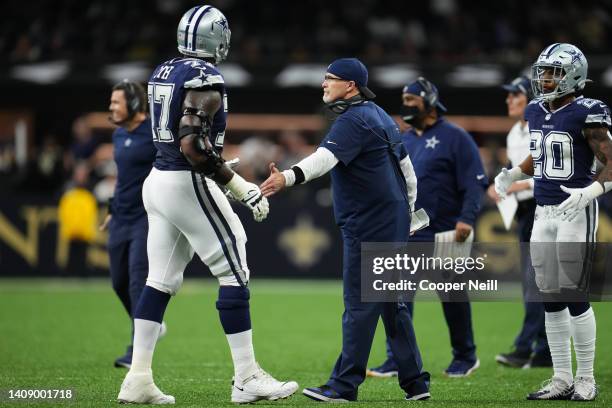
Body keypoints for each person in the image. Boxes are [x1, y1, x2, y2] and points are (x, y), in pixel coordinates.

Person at [117, 5, 298, 404]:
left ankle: (139, 377)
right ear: (214, 38)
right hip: (186, 181)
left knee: (159, 281)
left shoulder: (164, 69)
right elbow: (193, 146)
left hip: (158, 181)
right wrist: (238, 185)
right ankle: (246, 377)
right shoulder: (205, 77)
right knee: (234, 269)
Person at [261, 58, 431, 402]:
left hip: (369, 226)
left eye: (330, 79)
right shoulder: (380, 115)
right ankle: (416, 383)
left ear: (350, 85)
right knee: (391, 304)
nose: (324, 84)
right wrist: (410, 214)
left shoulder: (352, 119)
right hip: (391, 221)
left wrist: (287, 177)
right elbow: (407, 169)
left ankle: (343, 385)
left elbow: (324, 158)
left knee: (359, 305)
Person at [495, 43, 611, 401]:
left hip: (576, 209)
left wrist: (590, 192)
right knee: (549, 297)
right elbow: (543, 151)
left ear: (573, 74)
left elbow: (610, 160)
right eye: (543, 71)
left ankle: (586, 379)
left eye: (553, 72)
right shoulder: (535, 110)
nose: (544, 78)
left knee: (573, 294)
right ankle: (561, 378)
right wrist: (514, 172)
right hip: (543, 211)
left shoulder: (588, 112)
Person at [368, 77, 487, 378]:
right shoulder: (403, 139)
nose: (406, 105)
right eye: (404, 100)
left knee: (453, 298)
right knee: (397, 298)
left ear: (429, 103)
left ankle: (466, 355)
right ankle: (397, 359)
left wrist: (467, 218)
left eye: (412, 101)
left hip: (447, 230)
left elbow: (475, 182)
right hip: (410, 233)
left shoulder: (456, 137)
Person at [489, 76, 551, 369]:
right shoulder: (515, 132)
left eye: (516, 95)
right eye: (510, 95)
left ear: (531, 99)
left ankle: (528, 346)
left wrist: (512, 186)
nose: (509, 100)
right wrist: (503, 187)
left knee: (538, 281)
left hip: (546, 208)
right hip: (526, 212)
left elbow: (549, 176)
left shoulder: (542, 127)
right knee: (536, 282)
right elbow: (518, 176)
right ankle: (543, 349)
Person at [99, 79, 162, 369]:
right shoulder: (118, 135)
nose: (111, 107)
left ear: (134, 104)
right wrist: (112, 208)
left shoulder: (154, 133)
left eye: (116, 102)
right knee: (118, 283)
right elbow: (123, 178)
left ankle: (137, 347)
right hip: (121, 217)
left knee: (138, 282)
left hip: (145, 217)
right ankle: (151, 326)